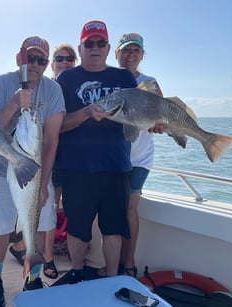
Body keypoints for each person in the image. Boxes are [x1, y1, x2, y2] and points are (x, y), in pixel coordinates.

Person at [53, 20, 138, 284]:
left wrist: (155, 123)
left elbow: (137, 119)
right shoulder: (66, 78)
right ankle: (77, 273)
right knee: (77, 229)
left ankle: (112, 278)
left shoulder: (124, 77)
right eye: (89, 43)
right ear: (80, 47)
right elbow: (58, 125)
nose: (95, 48)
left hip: (116, 167)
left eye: (100, 43)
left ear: (108, 47)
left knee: (113, 228)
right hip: (77, 169)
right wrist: (86, 113)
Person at [0, 36, 65, 307]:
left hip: (36, 172)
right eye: (30, 57)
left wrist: (43, 184)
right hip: (0, 169)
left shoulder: (52, 91)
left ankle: (32, 277)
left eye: (41, 59)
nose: (35, 64)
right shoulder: (2, 84)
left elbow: (52, 140)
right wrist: (14, 104)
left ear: (46, 64)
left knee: (40, 225)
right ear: (20, 58)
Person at [115, 33, 163, 277]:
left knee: (131, 208)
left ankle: (129, 264)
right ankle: (114, 264)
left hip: (140, 157)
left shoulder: (150, 82)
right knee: (114, 210)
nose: (131, 55)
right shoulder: (112, 80)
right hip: (114, 158)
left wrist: (159, 125)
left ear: (142, 55)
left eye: (136, 51)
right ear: (117, 53)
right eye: (126, 50)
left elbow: (163, 115)